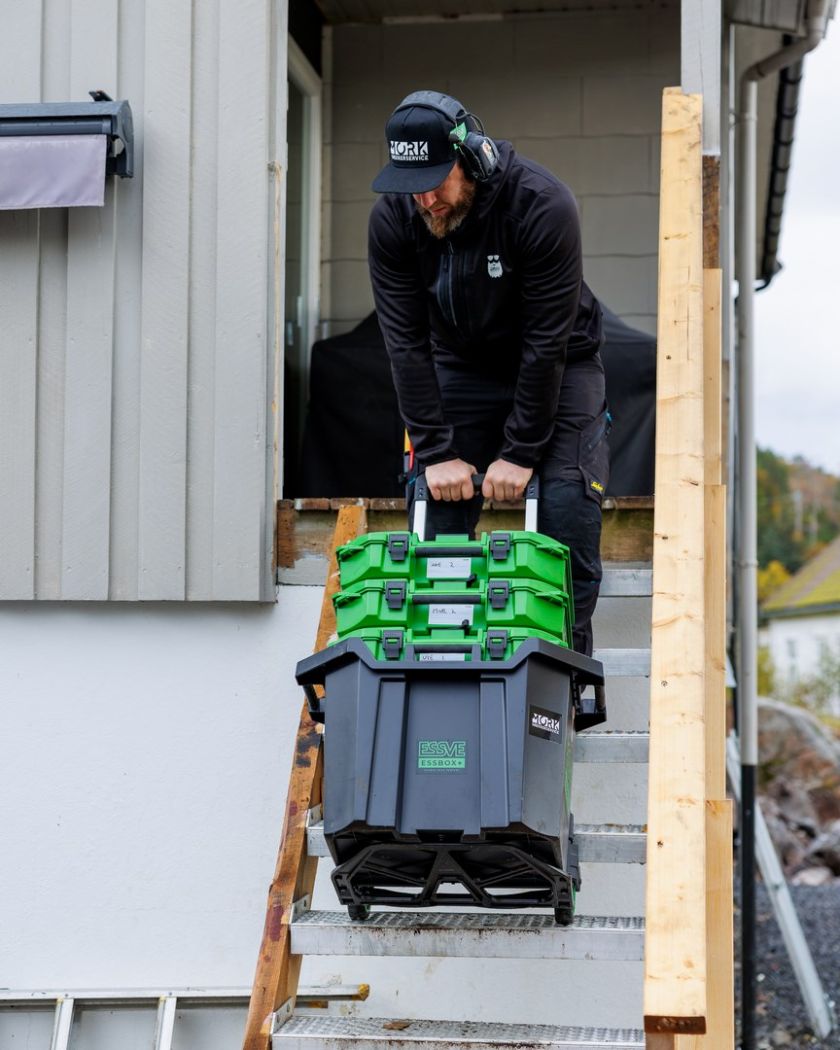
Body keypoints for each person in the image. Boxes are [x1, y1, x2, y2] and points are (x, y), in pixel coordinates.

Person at [367, 90, 609, 656]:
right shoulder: (394, 219)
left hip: (562, 360)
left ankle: (563, 672)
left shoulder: (541, 204)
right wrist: (434, 451)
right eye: (412, 184)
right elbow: (404, 344)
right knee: (436, 502)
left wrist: (522, 451)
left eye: (436, 181)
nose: (426, 199)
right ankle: (444, 658)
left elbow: (546, 343)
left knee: (567, 505)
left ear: (471, 159)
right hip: (461, 365)